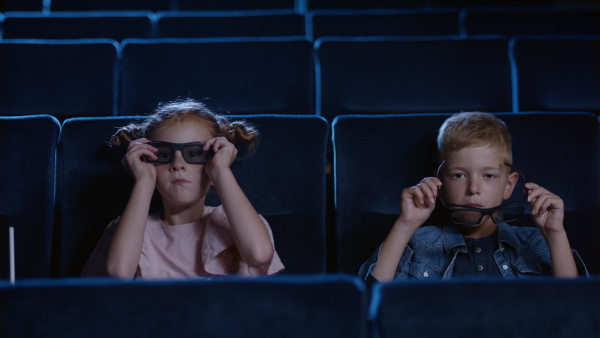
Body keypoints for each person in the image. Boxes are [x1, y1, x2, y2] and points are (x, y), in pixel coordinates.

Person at [359, 112, 587, 284]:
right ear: (440, 184)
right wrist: (405, 224)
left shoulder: (536, 243)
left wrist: (555, 234)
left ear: (508, 185)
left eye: (488, 176)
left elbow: (572, 307)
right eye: (459, 175)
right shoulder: (419, 243)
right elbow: (372, 301)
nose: (473, 188)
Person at [82, 98, 284, 279]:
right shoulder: (129, 229)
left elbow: (258, 254)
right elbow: (119, 274)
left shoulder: (234, 222)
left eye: (195, 153)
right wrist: (144, 180)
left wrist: (221, 171)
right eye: (163, 154)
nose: (178, 165)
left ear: (213, 165)